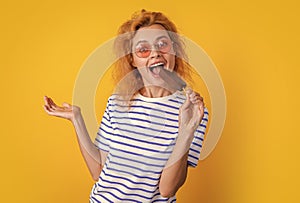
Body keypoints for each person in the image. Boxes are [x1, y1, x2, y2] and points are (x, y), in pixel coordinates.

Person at [43, 9, 209, 203]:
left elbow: (167, 189)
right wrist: (77, 119)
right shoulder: (117, 103)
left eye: (163, 44)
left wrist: (186, 132)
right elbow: (98, 171)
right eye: (143, 49)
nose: (155, 53)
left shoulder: (194, 113)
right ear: (133, 60)